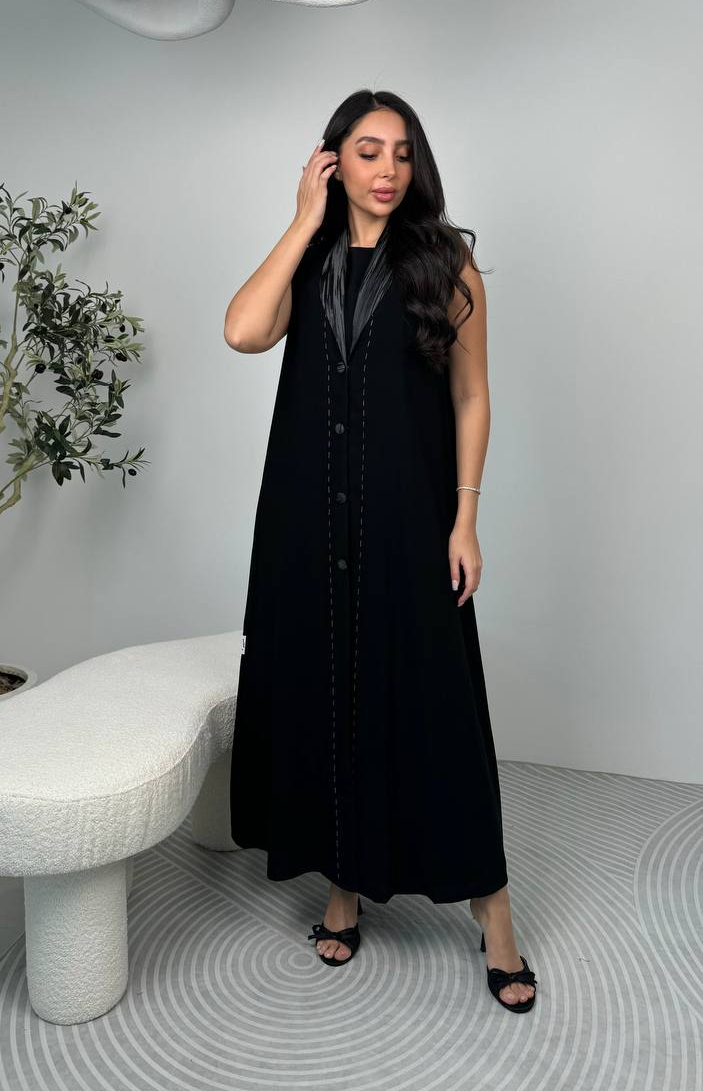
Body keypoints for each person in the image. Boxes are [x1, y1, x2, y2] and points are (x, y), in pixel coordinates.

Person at [224, 90, 537, 1012]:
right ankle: (343, 887)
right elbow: (242, 330)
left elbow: (471, 396)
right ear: (332, 161)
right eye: (367, 151)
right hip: (307, 520)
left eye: (401, 152)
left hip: (408, 518)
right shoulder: (311, 253)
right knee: (326, 697)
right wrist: (300, 219)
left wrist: (464, 518)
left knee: (438, 706)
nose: (387, 169)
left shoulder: (444, 261)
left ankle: (494, 915)